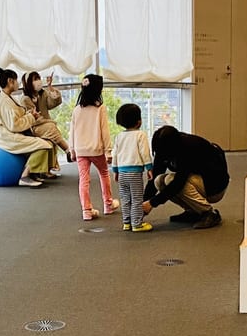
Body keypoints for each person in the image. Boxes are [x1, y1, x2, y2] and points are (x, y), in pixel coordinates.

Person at [141, 126, 230, 229]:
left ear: (171, 148)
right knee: (159, 181)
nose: (161, 156)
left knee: (170, 180)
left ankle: (209, 213)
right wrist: (143, 204)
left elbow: (179, 183)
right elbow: (155, 176)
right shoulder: (163, 147)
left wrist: (152, 203)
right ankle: (193, 212)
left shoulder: (188, 147)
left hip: (215, 186)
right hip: (198, 180)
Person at [0, 67, 53, 188]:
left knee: (46, 142)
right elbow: (14, 125)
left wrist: (31, 116)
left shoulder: (8, 98)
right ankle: (25, 176)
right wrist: (31, 117)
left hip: (11, 133)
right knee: (44, 145)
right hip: (7, 137)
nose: (17, 83)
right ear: (10, 81)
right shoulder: (4, 102)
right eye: (15, 80)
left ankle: (35, 173)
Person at [69, 73, 118, 221]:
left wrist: (72, 150)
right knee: (104, 174)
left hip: (81, 150)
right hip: (96, 149)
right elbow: (105, 131)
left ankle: (87, 210)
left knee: (84, 180)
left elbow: (72, 131)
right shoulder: (100, 108)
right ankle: (108, 205)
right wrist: (108, 151)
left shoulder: (77, 109)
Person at [111, 103, 152, 232]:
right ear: (139, 121)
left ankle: (127, 222)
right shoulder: (140, 135)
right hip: (134, 173)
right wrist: (149, 167)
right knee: (137, 198)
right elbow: (145, 153)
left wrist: (115, 170)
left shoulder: (119, 136)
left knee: (125, 198)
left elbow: (115, 154)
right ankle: (137, 224)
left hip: (122, 173)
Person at [21, 70, 69, 176]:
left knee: (50, 140)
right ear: (28, 83)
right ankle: (67, 149)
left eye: (38, 78)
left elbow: (54, 103)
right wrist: (49, 122)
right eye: (35, 79)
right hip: (33, 128)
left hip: (44, 126)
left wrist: (50, 87)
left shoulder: (42, 94)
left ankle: (46, 170)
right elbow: (33, 120)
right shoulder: (25, 99)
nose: (38, 81)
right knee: (51, 128)